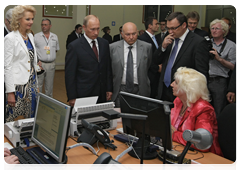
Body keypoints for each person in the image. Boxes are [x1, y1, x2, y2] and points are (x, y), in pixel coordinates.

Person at [153, 12, 209, 102]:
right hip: (164, 89)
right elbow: (156, 60)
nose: (170, 31)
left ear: (184, 25)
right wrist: (163, 47)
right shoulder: (169, 38)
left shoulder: (198, 42)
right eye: (168, 28)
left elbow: (201, 73)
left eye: (173, 28)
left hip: (184, 93)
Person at [170, 67, 222, 156]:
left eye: (176, 83)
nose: (171, 84)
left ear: (187, 88)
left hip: (205, 158)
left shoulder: (204, 109)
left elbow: (201, 143)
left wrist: (173, 134)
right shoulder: (178, 101)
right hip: (178, 149)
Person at [65, 15, 113, 106]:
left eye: (98, 29)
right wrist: (71, 96)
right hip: (83, 93)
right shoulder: (75, 46)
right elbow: (70, 74)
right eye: (92, 29)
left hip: (102, 92)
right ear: (84, 28)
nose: (96, 32)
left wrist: (109, 88)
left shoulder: (104, 43)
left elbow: (107, 68)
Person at [4, 5, 38, 122]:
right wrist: (10, 92)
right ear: (18, 19)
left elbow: (31, 61)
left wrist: (36, 85)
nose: (31, 22)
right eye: (27, 19)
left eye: (32, 19)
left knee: (30, 118)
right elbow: (6, 67)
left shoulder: (30, 36)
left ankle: (28, 139)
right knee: (14, 120)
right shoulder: (10, 38)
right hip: (18, 87)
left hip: (31, 85)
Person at [110, 22, 152, 107]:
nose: (131, 37)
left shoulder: (147, 47)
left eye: (134, 34)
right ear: (122, 34)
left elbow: (148, 65)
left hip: (140, 90)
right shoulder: (112, 48)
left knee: (139, 117)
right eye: (127, 34)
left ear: (138, 32)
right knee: (119, 118)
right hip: (120, 89)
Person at [208, 19, 238, 116]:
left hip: (220, 81)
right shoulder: (205, 43)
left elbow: (234, 67)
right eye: (212, 28)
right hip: (205, 79)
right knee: (204, 108)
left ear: (224, 31)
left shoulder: (231, 46)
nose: (214, 30)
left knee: (218, 110)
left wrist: (219, 59)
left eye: (217, 28)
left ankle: (217, 130)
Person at [34, 18, 60, 97]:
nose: (43, 26)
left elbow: (56, 49)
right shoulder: (36, 36)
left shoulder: (54, 36)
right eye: (42, 25)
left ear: (50, 26)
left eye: (45, 24)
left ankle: (48, 104)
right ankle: (38, 103)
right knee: (39, 85)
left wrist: (49, 57)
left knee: (49, 86)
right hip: (40, 64)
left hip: (51, 65)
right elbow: (33, 51)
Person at [138, 17, 160, 98]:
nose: (158, 26)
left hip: (156, 75)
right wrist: (157, 68)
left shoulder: (157, 38)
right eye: (156, 24)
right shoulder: (143, 39)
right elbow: (144, 59)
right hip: (149, 73)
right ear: (150, 26)